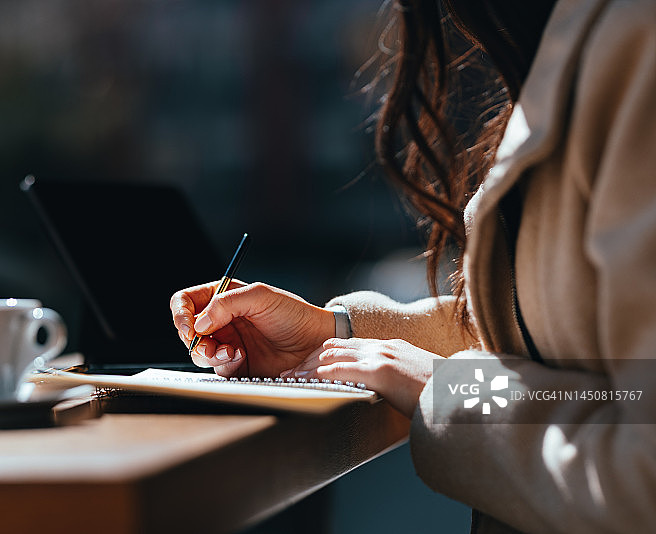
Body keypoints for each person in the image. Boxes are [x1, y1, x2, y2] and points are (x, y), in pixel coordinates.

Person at [170, 0, 656, 532]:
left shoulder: (634, 45)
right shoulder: (579, 40)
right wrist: (329, 334)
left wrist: (448, 389)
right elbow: (553, 348)